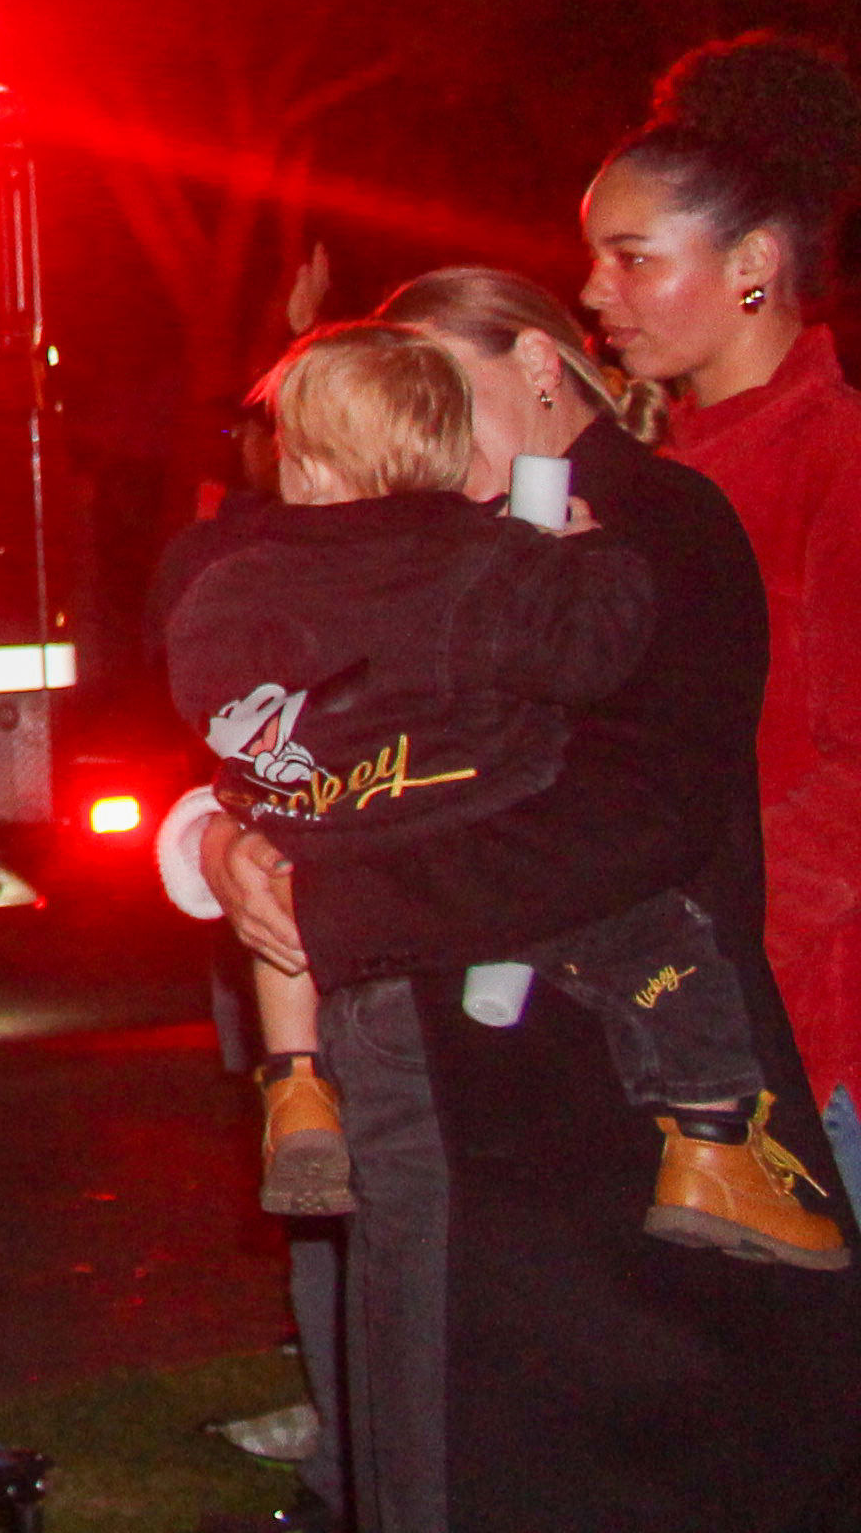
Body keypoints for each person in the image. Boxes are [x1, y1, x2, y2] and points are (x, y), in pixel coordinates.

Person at [201, 265, 861, 1533]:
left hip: (604, 1102)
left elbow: (631, 817)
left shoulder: (654, 530)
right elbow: (302, 724)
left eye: (440, 397)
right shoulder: (433, 545)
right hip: (451, 1101)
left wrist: (337, 900)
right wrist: (228, 830)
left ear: (539, 367)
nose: (423, 441)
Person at [165, 323, 836, 1258]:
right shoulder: (481, 562)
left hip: (315, 816)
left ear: (306, 469)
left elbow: (205, 684)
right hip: (470, 814)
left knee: (281, 909)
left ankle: (297, 1089)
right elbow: (583, 660)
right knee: (663, 946)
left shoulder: (237, 577)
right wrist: (589, 561)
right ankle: (712, 1143)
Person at [581, 34, 861, 1200]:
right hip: (663, 1024)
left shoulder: (834, 461)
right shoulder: (638, 475)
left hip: (806, 1039)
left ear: (751, 263)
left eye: (633, 259)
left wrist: (713, 934)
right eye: (596, 257)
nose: (597, 293)